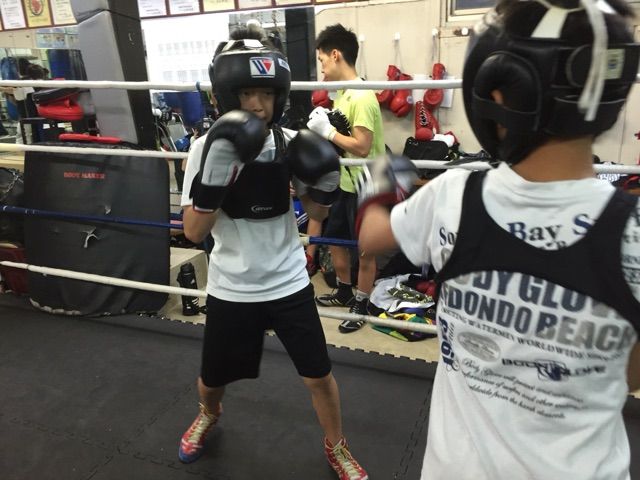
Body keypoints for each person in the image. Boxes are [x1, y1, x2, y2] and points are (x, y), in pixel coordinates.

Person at [357, 0, 640, 478]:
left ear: (499, 91)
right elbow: (628, 375)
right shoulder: (633, 232)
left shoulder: (455, 195)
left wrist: (380, 182)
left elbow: (372, 238)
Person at [178, 28, 368, 480]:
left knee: (318, 375)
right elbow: (193, 231)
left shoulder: (290, 142)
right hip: (231, 285)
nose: (257, 104)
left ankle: (336, 446)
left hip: (287, 280)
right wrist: (217, 179)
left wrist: (323, 182)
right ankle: (208, 414)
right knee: (213, 379)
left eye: (265, 93)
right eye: (247, 93)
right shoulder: (205, 148)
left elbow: (317, 212)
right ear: (228, 95)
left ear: (279, 95)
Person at [309, 23, 386, 333]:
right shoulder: (341, 95)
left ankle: (362, 302)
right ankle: (344, 290)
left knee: (365, 249)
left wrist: (327, 132)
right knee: (335, 241)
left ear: (335, 55)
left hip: (369, 182)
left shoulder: (362, 97)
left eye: (322, 60)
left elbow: (363, 146)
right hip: (346, 181)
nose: (321, 68)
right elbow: (342, 141)